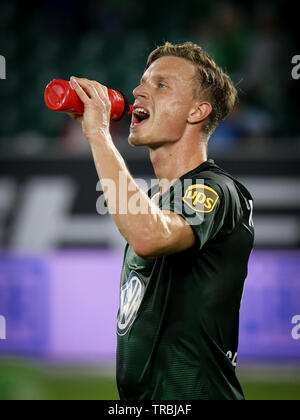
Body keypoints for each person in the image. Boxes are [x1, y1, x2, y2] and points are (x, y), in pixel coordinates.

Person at [67, 42, 255, 400]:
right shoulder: (158, 203)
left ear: (198, 111)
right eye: (142, 82)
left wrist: (98, 135)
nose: (138, 91)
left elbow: (148, 236)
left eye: (161, 85)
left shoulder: (215, 190)